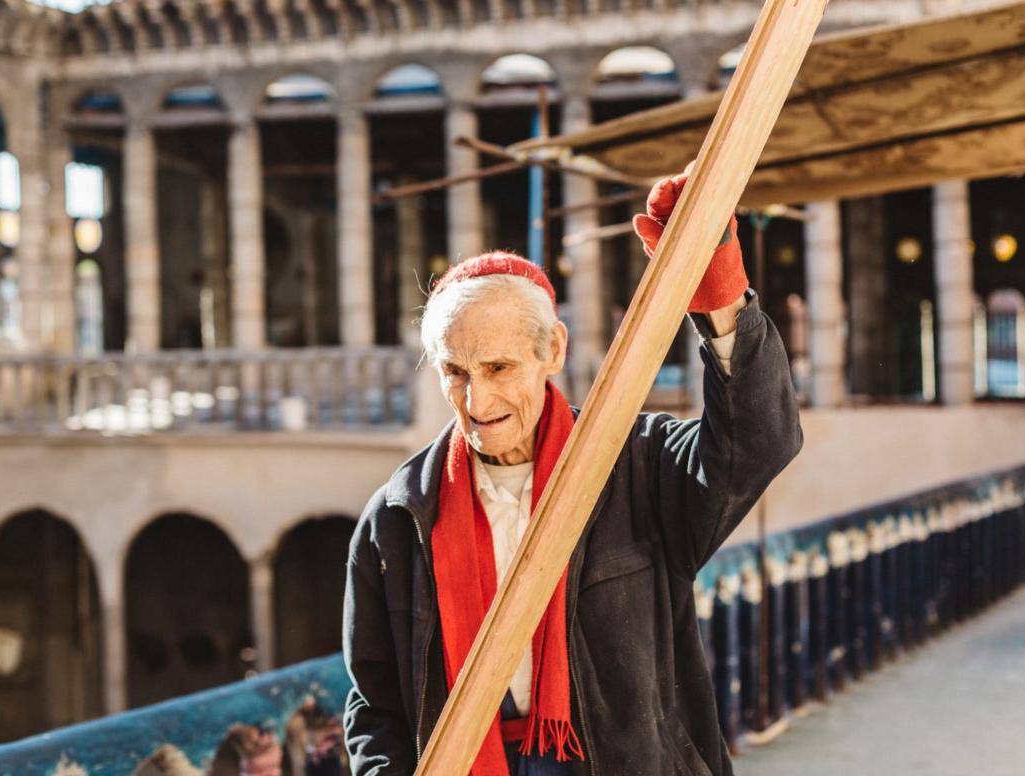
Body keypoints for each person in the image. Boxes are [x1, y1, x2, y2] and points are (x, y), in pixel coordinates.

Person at [342, 164, 803, 776]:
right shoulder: (398, 518)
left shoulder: (634, 461)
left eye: (500, 368)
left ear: (552, 351)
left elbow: (759, 444)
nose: (477, 404)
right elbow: (373, 706)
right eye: (456, 372)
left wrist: (719, 296)